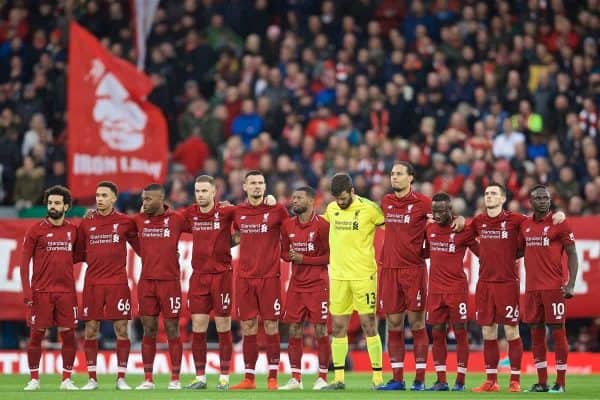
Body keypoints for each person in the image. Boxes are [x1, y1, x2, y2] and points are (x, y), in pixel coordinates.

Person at [377, 162, 463, 391]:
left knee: (416, 323)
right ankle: (397, 378)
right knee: (394, 323)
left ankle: (420, 378)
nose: (394, 177)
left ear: (411, 178)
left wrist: (461, 219)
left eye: (399, 174)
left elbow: (446, 220)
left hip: (413, 270)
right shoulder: (385, 202)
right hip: (389, 270)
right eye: (392, 173)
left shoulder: (424, 203)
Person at [471, 182, 563, 392]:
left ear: (503, 199)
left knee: (512, 331)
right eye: (487, 194)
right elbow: (465, 238)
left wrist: (559, 215)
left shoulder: (516, 219)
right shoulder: (478, 221)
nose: (489, 197)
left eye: (494, 194)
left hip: (507, 283)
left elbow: (539, 221)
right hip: (485, 283)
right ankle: (491, 381)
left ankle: (514, 380)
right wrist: (482, 254)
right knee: (488, 331)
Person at [322, 173, 385, 390]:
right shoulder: (331, 210)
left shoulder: (370, 209)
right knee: (338, 327)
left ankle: (377, 378)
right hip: (338, 277)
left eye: (343, 198)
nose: (340, 202)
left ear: (352, 191)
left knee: (369, 324)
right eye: (337, 199)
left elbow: (392, 229)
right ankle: (339, 378)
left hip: (363, 276)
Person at [76, 181, 139, 391]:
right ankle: (92, 379)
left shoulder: (125, 222)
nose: (99, 199)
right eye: (97, 195)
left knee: (121, 329)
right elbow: (77, 252)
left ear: (113, 198)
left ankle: (121, 378)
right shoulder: (86, 222)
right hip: (93, 283)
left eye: (104, 195)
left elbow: (141, 247)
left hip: (117, 283)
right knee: (91, 329)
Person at [230, 170, 289, 390]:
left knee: (272, 325)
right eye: (253, 183)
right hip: (245, 277)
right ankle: (249, 378)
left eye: (261, 183)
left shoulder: (277, 210)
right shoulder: (238, 212)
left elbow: (290, 231)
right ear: (244, 187)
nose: (257, 186)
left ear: (265, 186)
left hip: (269, 277)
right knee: (248, 326)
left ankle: (272, 377)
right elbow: (234, 236)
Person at [519, 185, 578, 393]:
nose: (543, 201)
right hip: (532, 289)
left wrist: (570, 283)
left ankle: (560, 383)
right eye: (538, 198)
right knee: (535, 334)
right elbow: (516, 250)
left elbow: (572, 253)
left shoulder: (559, 223)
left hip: (553, 288)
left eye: (546, 198)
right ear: (530, 201)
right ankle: (542, 382)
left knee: (557, 332)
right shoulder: (524, 224)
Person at [21, 185, 80, 391]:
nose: (52, 206)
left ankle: (66, 379)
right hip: (41, 292)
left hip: (66, 292)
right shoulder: (35, 229)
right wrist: (27, 293)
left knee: (69, 335)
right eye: (50, 203)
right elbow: (23, 263)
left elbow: (83, 255)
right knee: (37, 335)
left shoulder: (73, 230)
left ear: (66, 206)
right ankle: (34, 379)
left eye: (57, 203)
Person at [131, 183, 190, 390]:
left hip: (170, 282)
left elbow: (202, 225)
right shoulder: (138, 220)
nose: (144, 202)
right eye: (143, 198)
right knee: (149, 329)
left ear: (160, 199)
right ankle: (148, 379)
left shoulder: (176, 219)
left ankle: (175, 379)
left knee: (173, 329)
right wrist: (143, 253)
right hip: (147, 282)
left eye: (148, 199)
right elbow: (121, 229)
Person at [181, 175, 235, 391]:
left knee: (223, 326)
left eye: (205, 191)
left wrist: (268, 199)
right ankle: (200, 377)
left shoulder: (226, 212)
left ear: (214, 192)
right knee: (198, 327)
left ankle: (224, 377)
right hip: (199, 277)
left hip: (221, 276)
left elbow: (250, 215)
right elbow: (166, 219)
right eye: (197, 191)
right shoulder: (190, 213)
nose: (201, 195)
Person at [425, 192, 479, 391]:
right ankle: (441, 380)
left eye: (441, 211)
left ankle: (461, 381)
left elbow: (482, 253)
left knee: (460, 333)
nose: (437, 215)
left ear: (451, 211)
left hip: (457, 290)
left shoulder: (463, 230)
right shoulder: (429, 228)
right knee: (437, 333)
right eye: (434, 211)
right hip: (436, 291)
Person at [279, 186, 331, 391]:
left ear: (311, 201)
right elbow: (283, 252)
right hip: (296, 285)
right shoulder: (287, 225)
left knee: (320, 329)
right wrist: (290, 256)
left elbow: (330, 257)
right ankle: (295, 378)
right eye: (293, 197)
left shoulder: (323, 226)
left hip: (318, 285)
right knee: (293, 329)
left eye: (299, 198)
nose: (294, 201)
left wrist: (304, 259)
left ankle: (323, 377)